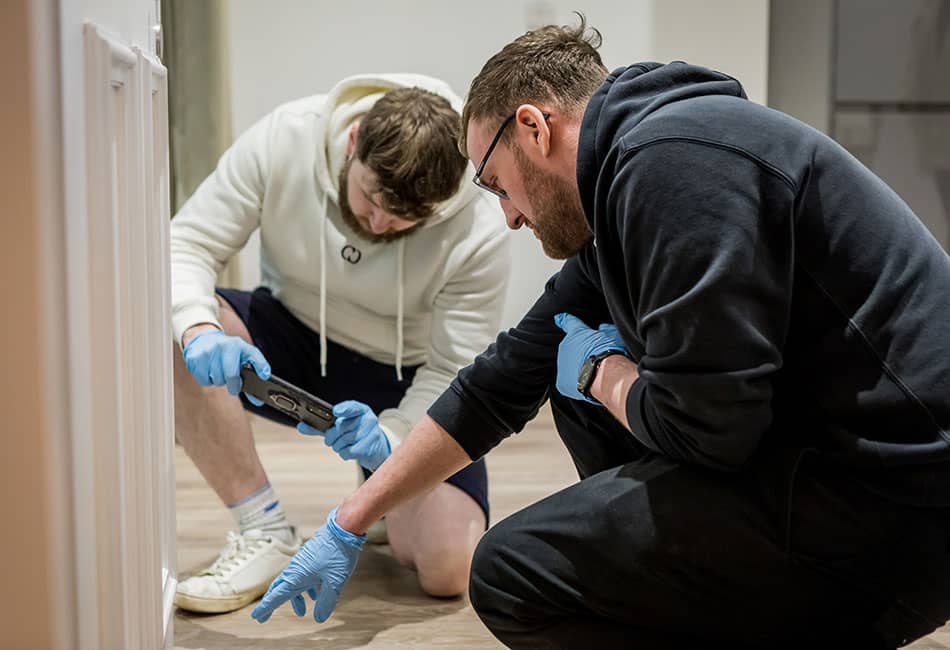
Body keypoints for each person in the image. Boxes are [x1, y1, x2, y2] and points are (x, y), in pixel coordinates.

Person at [250, 19, 950, 649]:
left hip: (897, 508)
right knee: (570, 381)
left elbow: (710, 431)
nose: (508, 217)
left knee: (512, 572)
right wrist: (349, 520)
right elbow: (499, 384)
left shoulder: (676, 165)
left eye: (496, 183)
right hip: (839, 469)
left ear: (534, 128)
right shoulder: (628, 188)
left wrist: (602, 374)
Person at [170, 74, 510, 613]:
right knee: (174, 326)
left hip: (406, 375)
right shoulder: (285, 137)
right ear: (354, 142)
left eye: (406, 219)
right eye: (371, 197)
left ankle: (379, 494)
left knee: (448, 567)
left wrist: (392, 441)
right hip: (293, 335)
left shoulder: (478, 222)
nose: (379, 223)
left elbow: (453, 368)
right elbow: (187, 243)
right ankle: (263, 529)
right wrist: (199, 330)